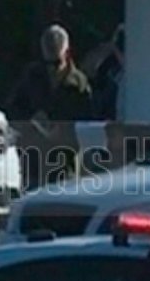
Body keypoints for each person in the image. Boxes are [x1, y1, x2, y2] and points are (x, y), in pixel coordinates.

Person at [6, 24, 93, 189]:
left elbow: (87, 125)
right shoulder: (32, 77)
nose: (51, 69)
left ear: (67, 54)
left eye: (56, 63)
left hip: (64, 166)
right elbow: (13, 109)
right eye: (47, 63)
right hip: (34, 163)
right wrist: (32, 118)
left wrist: (63, 131)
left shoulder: (80, 86)